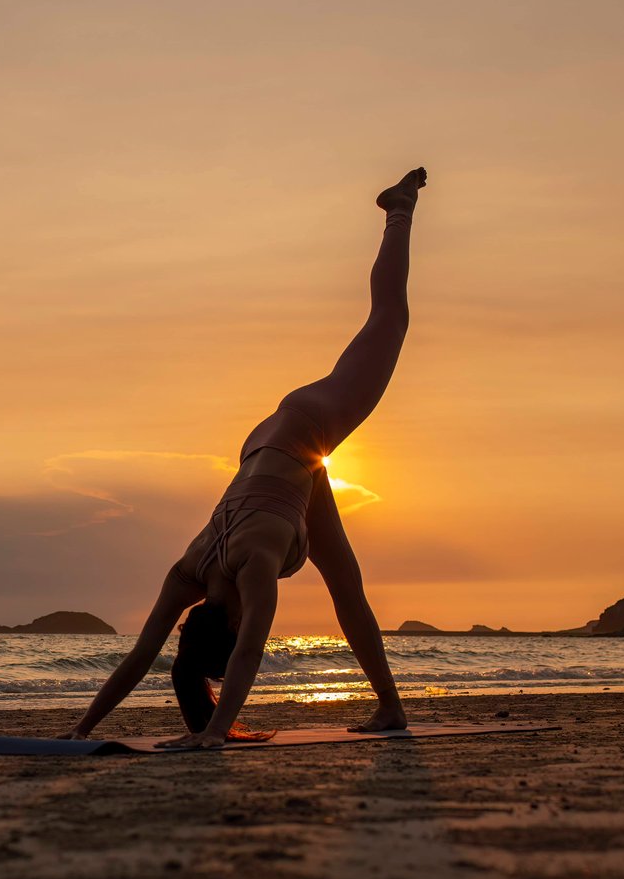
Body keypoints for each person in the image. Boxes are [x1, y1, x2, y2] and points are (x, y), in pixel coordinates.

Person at [61, 168, 427, 749]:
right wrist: (79, 730)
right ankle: (391, 708)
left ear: (225, 623)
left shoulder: (241, 566)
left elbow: (247, 653)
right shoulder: (191, 575)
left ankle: (399, 209)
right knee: (347, 588)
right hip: (273, 461)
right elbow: (143, 657)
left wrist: (208, 735)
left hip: (306, 426)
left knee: (389, 319)